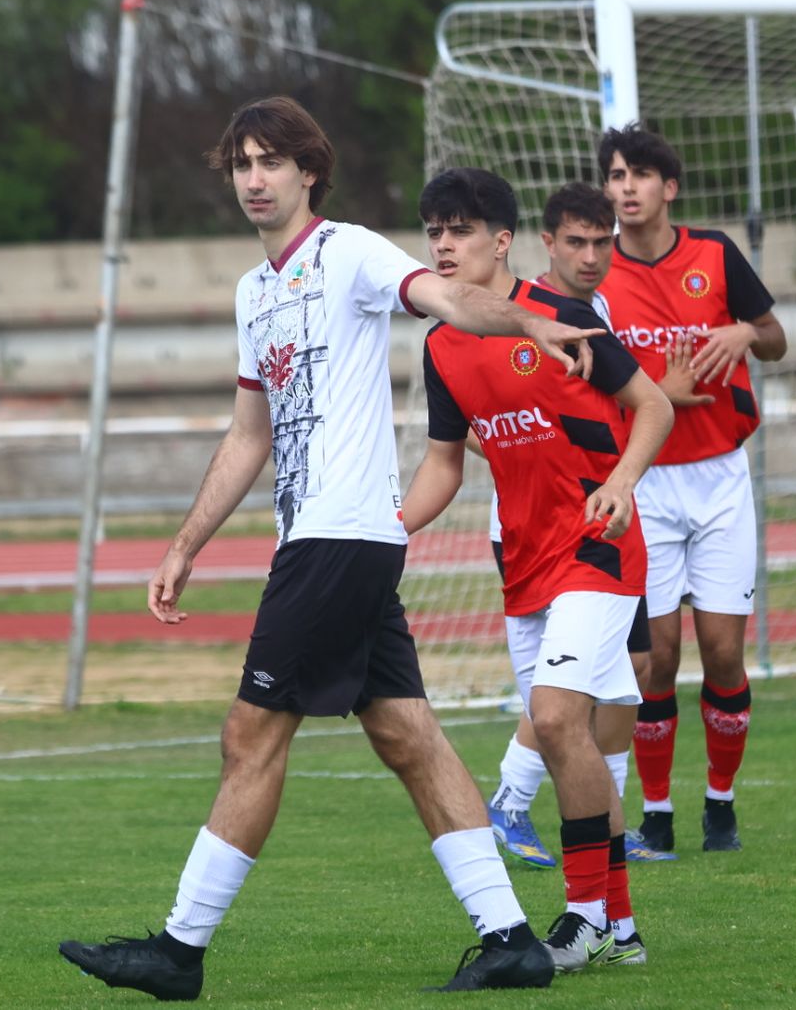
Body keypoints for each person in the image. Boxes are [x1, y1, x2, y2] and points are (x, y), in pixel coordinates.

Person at [58, 97, 606, 998]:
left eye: (272, 161)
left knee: (251, 734)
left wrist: (529, 322)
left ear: (309, 171)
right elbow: (247, 435)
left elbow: (447, 297)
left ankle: (179, 950)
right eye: (242, 164)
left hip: (339, 537)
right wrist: (186, 543)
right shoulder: (252, 293)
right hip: (327, 539)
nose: (255, 178)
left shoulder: (347, 250)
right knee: (406, 732)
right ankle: (510, 937)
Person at [405, 167, 674, 971]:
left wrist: (622, 482)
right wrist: (383, 531)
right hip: (523, 565)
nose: (443, 246)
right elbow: (443, 467)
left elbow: (653, 405)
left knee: (558, 720)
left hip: (598, 549)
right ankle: (620, 931)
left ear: (499, 240)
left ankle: (583, 915)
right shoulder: (442, 346)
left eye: (459, 230)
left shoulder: (564, 317)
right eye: (434, 232)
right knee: (566, 742)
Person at [596, 124, 788, 856]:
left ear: (668, 188)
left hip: (719, 480)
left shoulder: (714, 254)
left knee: (724, 651)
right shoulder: (598, 274)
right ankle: (656, 812)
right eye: (616, 176)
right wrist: (662, 396)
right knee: (658, 657)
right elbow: (589, 384)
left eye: (639, 175)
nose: (626, 188)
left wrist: (744, 333)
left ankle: (721, 806)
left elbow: (777, 337)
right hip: (645, 480)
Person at [463, 184, 659, 870]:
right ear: (541, 241)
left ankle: (605, 853)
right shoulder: (491, 321)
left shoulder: (590, 312)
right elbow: (462, 424)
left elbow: (639, 405)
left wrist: (615, 475)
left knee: (620, 672)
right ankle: (517, 800)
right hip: (530, 530)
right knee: (563, 702)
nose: (591, 255)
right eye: (576, 241)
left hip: (596, 529)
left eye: (603, 242)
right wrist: (521, 452)